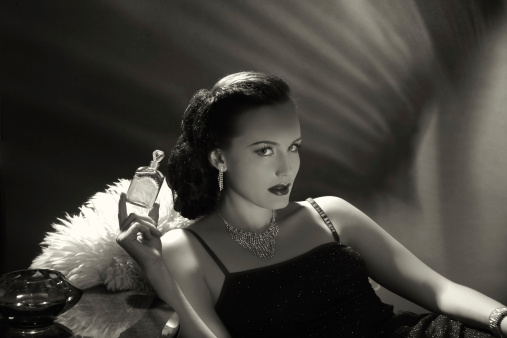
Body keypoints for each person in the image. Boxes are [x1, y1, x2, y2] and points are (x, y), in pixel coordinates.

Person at [117, 71, 507, 337]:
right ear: (219, 158)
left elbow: (438, 291)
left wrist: (502, 319)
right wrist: (155, 269)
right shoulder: (182, 251)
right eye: (264, 150)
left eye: (294, 147)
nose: (286, 168)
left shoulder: (331, 214)